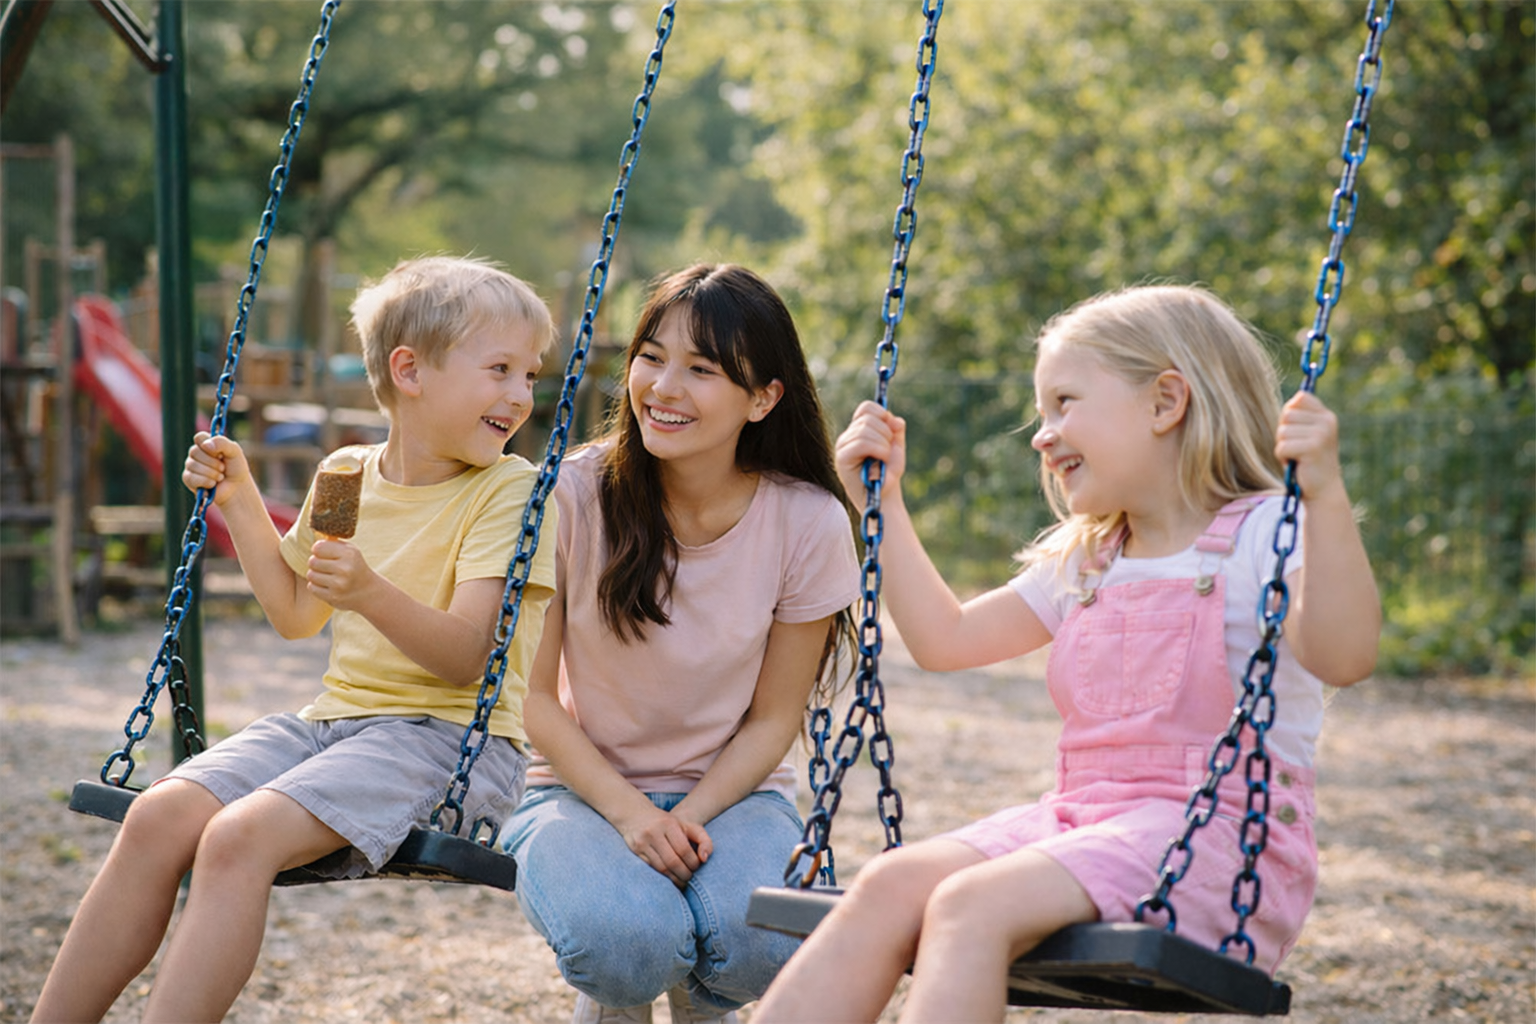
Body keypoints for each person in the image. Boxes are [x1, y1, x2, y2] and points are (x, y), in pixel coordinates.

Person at [754, 284, 1381, 1024]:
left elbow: (1344, 656)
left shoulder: (1266, 533)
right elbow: (945, 640)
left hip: (1214, 843)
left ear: (1165, 402)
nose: (1041, 434)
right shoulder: (1089, 558)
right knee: (890, 882)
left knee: (969, 902)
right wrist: (882, 507)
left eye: (1064, 403)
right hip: (1083, 822)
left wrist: (1326, 497)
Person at [32, 256, 557, 1024]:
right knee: (157, 818)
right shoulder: (345, 474)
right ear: (409, 370)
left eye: (531, 376)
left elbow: (472, 661)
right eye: (501, 369)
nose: (519, 395)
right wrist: (241, 500)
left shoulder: (509, 490)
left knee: (238, 838)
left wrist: (372, 592)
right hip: (332, 726)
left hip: (446, 744)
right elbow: (295, 614)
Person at [500, 263, 861, 1024]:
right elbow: (531, 699)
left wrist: (685, 818)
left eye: (701, 369)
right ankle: (630, 965)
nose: (663, 387)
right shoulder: (569, 495)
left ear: (763, 398)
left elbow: (773, 719)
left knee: (761, 944)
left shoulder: (806, 522)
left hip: (734, 796)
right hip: (578, 789)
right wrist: (633, 816)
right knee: (627, 948)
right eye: (652, 356)